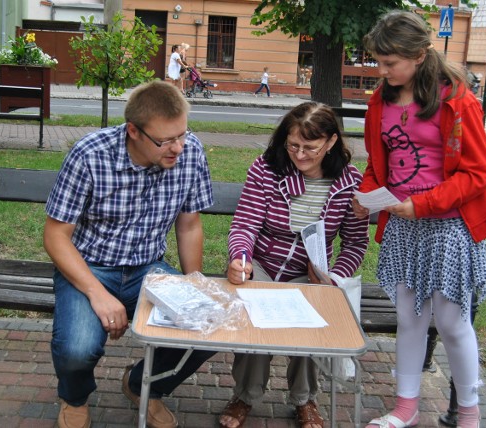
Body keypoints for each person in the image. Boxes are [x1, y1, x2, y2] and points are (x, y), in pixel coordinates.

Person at [352, 11, 486, 428]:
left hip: (450, 226)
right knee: (408, 319)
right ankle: (406, 407)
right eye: (378, 63)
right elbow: (378, 163)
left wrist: (423, 205)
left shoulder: (456, 99)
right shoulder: (381, 99)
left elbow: (479, 172)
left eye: (390, 63)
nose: (381, 72)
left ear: (419, 55)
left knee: (453, 323)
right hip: (403, 225)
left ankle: (469, 416)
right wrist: (367, 196)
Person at [43, 80, 215, 428]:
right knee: (77, 350)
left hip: (149, 269)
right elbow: (56, 236)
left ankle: (142, 387)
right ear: (133, 131)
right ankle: (74, 398)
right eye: (166, 141)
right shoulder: (90, 154)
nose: (178, 148)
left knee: (208, 327)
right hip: (89, 267)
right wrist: (97, 294)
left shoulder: (191, 151)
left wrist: (195, 283)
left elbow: (189, 224)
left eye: (183, 134)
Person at [219, 102, 370, 428]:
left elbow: (356, 243)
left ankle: (304, 398)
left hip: (311, 271)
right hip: (264, 264)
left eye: (310, 148)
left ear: (330, 142)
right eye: (293, 145)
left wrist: (335, 276)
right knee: (254, 315)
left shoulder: (348, 181)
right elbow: (245, 225)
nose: (299, 155)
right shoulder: (266, 169)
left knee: (311, 316)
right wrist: (240, 259)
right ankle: (245, 394)